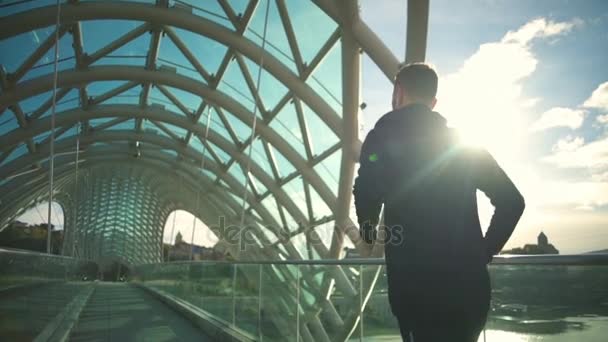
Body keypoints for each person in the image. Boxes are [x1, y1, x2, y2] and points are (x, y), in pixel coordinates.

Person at [353, 63, 525, 341]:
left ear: (398, 92)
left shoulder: (381, 139)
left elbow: (366, 193)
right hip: (469, 291)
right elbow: (513, 202)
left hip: (416, 291)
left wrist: (369, 234)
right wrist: (483, 253)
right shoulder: (461, 143)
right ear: (433, 102)